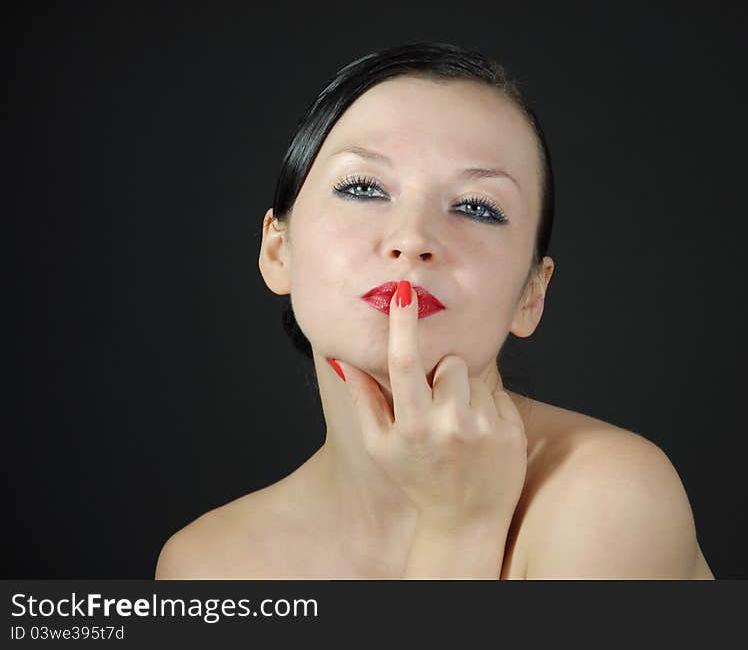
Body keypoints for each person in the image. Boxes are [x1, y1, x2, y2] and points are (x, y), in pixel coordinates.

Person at [155, 42, 714, 579]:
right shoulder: (207, 563)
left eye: (476, 207)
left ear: (531, 295)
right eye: (363, 188)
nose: (412, 238)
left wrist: (459, 528)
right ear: (278, 250)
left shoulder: (607, 495)